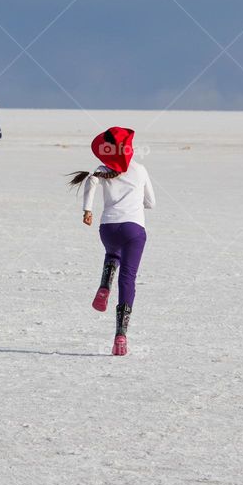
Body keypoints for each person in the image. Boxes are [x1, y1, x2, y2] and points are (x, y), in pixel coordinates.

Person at [68, 126, 155, 356]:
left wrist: (87, 210)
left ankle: (105, 285)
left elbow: (91, 182)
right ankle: (120, 336)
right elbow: (151, 203)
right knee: (128, 279)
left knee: (113, 252)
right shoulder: (140, 170)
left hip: (107, 228)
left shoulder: (101, 169)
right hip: (134, 229)